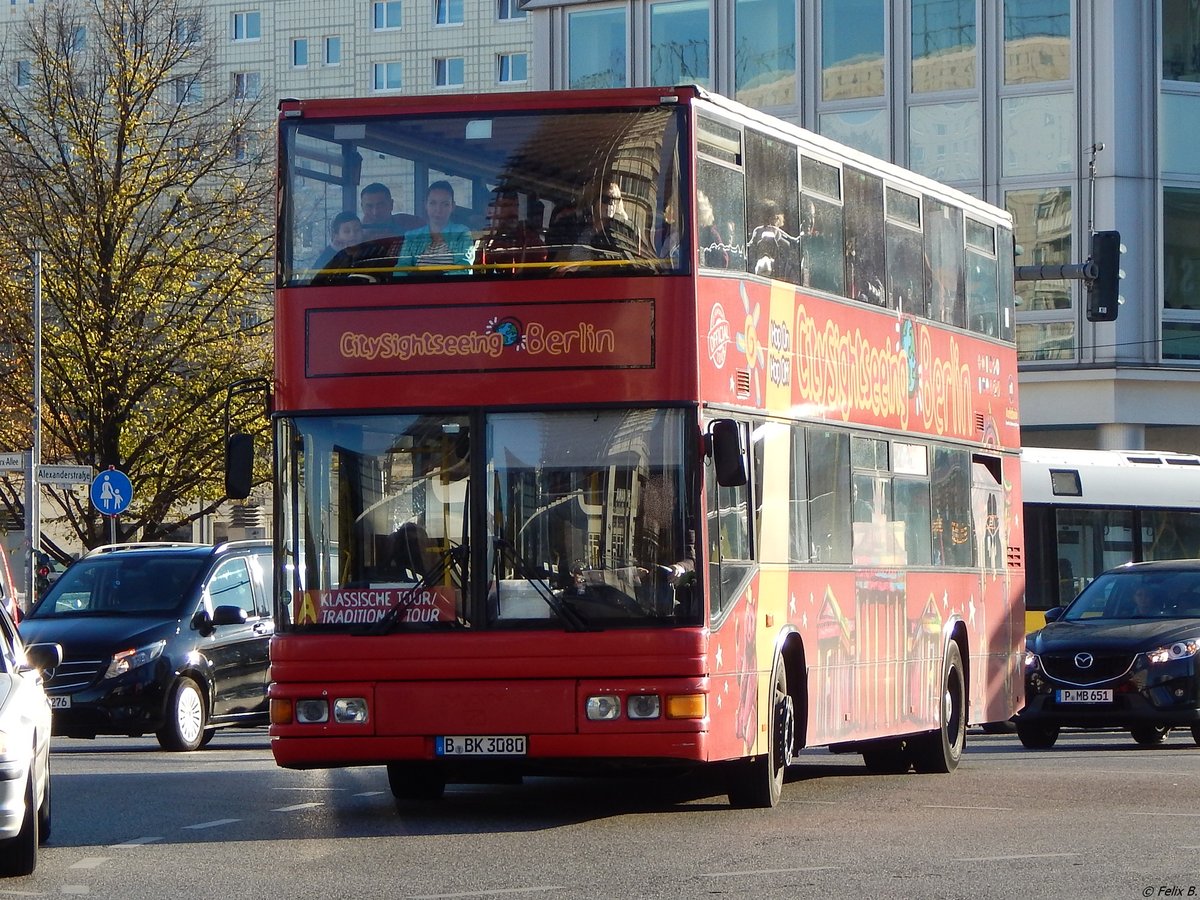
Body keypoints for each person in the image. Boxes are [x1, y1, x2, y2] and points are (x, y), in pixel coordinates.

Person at [550, 177, 644, 262]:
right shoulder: (573, 226)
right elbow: (556, 258)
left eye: (616, 200)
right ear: (592, 200)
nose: (611, 204)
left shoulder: (625, 230)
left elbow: (632, 265)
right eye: (605, 199)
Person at [396, 180, 475, 273]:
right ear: (425, 205)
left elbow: (464, 268)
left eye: (445, 204)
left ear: (453, 206)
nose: (438, 209)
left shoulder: (462, 233)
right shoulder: (411, 236)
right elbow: (401, 269)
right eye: (433, 203)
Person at [478, 188, 546, 274]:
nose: (513, 210)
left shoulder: (528, 236)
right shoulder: (484, 236)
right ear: (493, 209)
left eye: (516, 205)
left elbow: (539, 263)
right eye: (506, 205)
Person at [747, 198, 799, 279]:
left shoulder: (785, 245)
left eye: (774, 218)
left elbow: (788, 272)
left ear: (778, 219)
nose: (769, 223)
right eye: (766, 219)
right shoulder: (753, 242)